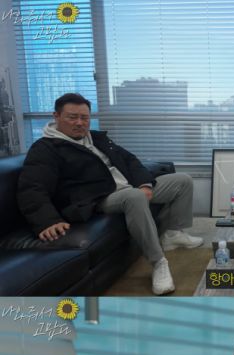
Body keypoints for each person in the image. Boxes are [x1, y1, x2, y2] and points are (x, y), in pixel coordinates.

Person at [17, 92, 203, 296]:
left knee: (182, 180)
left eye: (84, 118)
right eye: (72, 117)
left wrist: (144, 184)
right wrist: (47, 220)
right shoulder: (45, 148)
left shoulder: (97, 138)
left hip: (128, 187)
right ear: (57, 116)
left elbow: (130, 160)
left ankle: (173, 234)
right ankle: (158, 262)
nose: (79, 123)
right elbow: (32, 187)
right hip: (97, 198)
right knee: (134, 197)